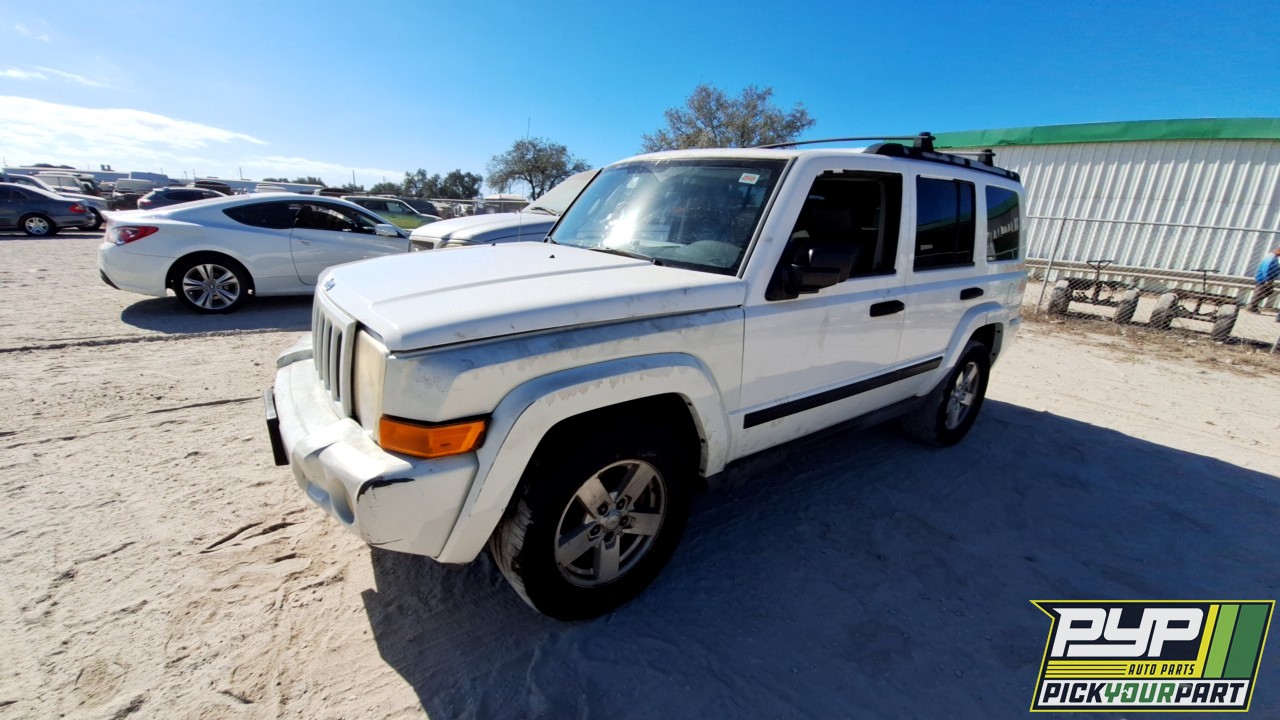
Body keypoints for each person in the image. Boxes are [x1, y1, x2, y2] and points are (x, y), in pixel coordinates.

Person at [1247, 247, 1280, 313]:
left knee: (1268, 291)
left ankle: (1253, 305)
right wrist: (1267, 280)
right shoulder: (1271, 258)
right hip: (1263, 279)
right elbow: (1266, 269)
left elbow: (1275, 268)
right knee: (1259, 293)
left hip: (1268, 279)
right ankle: (1251, 307)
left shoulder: (1274, 258)